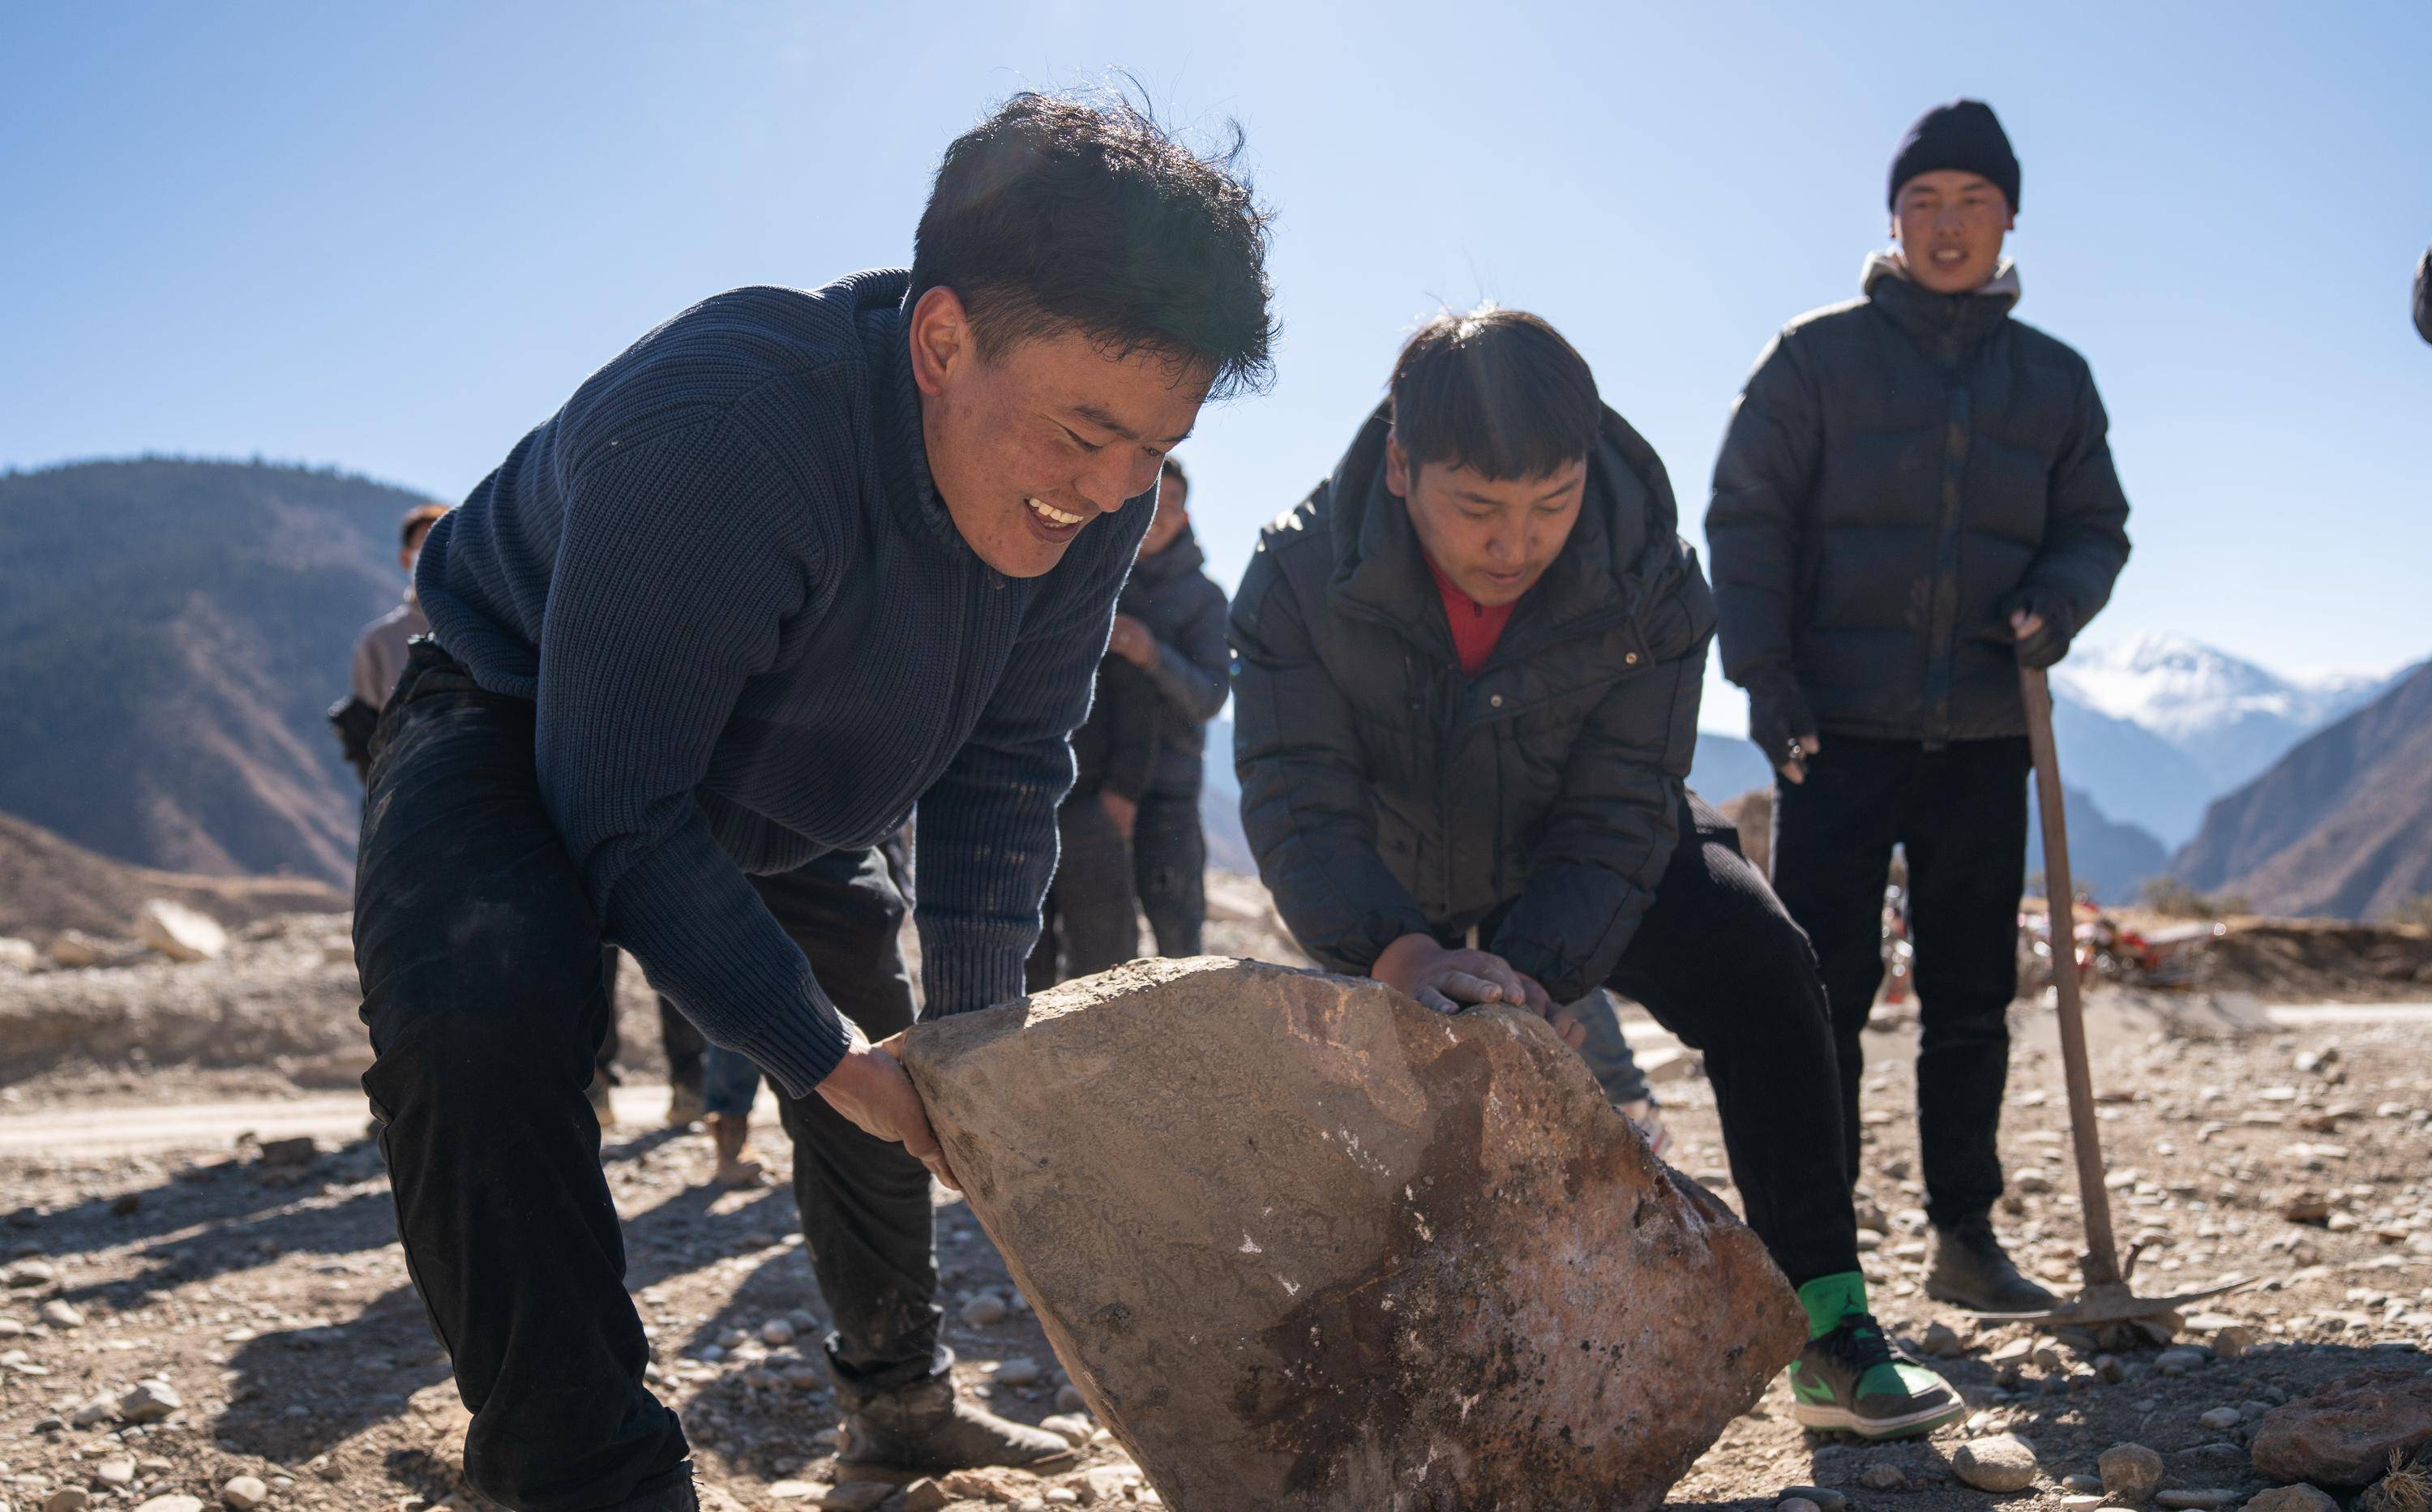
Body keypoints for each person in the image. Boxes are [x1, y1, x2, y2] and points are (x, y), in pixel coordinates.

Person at [353, 91, 1273, 1512]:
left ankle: (899, 1405)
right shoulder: (729, 425)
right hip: (519, 708)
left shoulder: (1088, 503)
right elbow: (619, 802)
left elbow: (1005, 766)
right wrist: (821, 1053)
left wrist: (967, 1047)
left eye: (1152, 450)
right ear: (941, 339)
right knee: (477, 1008)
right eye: (1085, 433)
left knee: (905, 1061)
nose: (1109, 492)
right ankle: (577, 1471)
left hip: (783, 790)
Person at [1232, 306, 1963, 1440]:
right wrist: (1401, 947)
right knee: (1404, 1114)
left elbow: (1623, 800)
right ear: (1398, 462)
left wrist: (1538, 970)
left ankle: (1830, 1325)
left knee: (1765, 966)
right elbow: (1298, 797)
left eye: (1551, 503)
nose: (1516, 544)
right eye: (1478, 508)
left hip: (1579, 850)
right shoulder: (1296, 577)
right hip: (1397, 876)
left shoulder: (1650, 576)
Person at [1706, 100, 2132, 1315]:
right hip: (1830, 731)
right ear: (1893, 219)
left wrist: (2057, 600)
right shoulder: (1816, 358)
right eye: (1924, 203)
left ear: (2009, 219)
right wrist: (1768, 677)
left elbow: (2095, 526)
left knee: (1969, 997)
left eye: (1974, 203)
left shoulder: (2054, 380)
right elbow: (1747, 520)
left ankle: (1964, 1237)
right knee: (1820, 993)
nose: (1948, 227)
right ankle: (1818, 1261)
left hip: (1988, 735)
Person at [1102, 456, 1231, 956]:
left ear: (1186, 518)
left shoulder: (1204, 598)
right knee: (1096, 946)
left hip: (1169, 798)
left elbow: (1211, 697)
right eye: (1149, 498)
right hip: (1089, 792)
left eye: (1170, 503)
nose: (1156, 513)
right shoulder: (1097, 575)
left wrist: (1151, 654)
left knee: (1179, 941)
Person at [1026, 653, 1162, 987]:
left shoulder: (1100, 612)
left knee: (1105, 964)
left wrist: (1122, 792)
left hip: (1089, 807)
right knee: (1022, 965)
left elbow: (1137, 701)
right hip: (1017, 804)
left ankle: (1115, 1039)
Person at [329, 502, 445, 780]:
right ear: (406, 559)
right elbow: (366, 735)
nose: (438, 551)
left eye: (447, 541)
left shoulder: (484, 631)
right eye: (426, 543)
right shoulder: (378, 643)